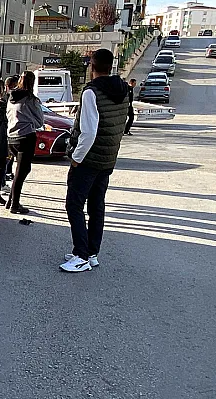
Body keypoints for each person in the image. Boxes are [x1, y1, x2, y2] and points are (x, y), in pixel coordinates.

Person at [60, 49, 129, 272]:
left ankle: (80, 255)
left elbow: (88, 132)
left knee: (74, 204)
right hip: (108, 159)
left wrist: (76, 159)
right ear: (111, 66)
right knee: (97, 206)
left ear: (92, 66)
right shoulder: (123, 90)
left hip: (88, 159)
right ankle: (91, 253)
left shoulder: (91, 92)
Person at [5, 71, 44, 214]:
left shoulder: (11, 97)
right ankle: (15, 205)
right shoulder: (31, 99)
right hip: (26, 137)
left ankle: (11, 199)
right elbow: (40, 121)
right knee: (21, 172)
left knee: (21, 170)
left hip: (11, 137)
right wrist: (28, 121)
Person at [3, 74, 20, 189]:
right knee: (5, 158)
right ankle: (2, 182)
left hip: (7, 132)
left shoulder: (8, 97)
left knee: (9, 157)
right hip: (6, 132)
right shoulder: (6, 99)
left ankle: (7, 174)